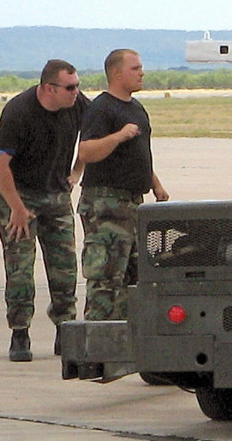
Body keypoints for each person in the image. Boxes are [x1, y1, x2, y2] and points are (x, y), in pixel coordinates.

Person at [0, 59, 89, 362]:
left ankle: (65, 327)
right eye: (69, 87)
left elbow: (92, 135)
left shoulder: (78, 105)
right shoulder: (19, 112)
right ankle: (20, 331)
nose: (76, 92)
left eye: (77, 86)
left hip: (55, 190)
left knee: (64, 264)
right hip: (16, 192)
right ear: (48, 88)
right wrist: (16, 209)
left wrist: (77, 170)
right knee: (20, 263)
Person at [77, 49, 169, 321]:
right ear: (116, 73)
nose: (141, 73)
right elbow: (86, 152)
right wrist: (118, 135)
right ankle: (98, 348)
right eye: (135, 68)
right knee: (106, 280)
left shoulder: (135, 108)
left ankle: (124, 345)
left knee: (133, 279)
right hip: (107, 205)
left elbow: (139, 153)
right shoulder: (102, 108)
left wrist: (155, 184)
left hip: (132, 204)